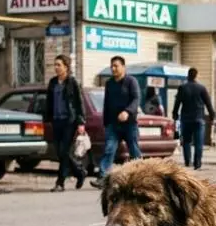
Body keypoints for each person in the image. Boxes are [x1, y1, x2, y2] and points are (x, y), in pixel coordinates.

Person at [91, 56, 142, 188]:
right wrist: (106, 123)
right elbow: (106, 103)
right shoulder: (109, 83)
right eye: (112, 66)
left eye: (116, 66)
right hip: (113, 125)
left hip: (129, 124)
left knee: (134, 151)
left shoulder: (131, 81)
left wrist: (127, 111)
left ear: (123, 67)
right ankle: (102, 178)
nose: (113, 69)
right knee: (109, 149)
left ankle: (142, 176)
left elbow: (136, 99)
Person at [44, 55, 87, 191]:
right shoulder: (53, 82)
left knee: (64, 150)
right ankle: (80, 172)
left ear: (66, 67)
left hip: (69, 121)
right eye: (55, 65)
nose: (56, 68)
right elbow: (49, 102)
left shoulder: (73, 83)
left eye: (59, 65)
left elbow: (79, 103)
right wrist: (47, 118)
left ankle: (60, 183)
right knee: (60, 152)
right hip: (56, 121)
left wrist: (81, 122)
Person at [172, 67, 216, 170]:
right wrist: (212, 117)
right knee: (198, 142)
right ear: (196, 76)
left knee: (186, 141)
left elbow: (177, 102)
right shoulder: (201, 88)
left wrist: (175, 114)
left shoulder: (182, 88)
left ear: (188, 75)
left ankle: (188, 161)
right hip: (198, 119)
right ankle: (197, 163)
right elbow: (208, 104)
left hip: (186, 119)